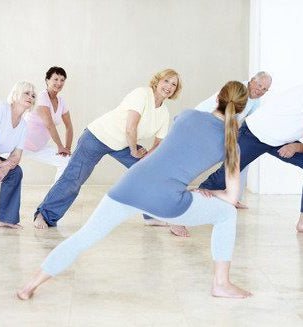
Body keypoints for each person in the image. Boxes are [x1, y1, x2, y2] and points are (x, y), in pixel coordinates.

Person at [18, 81, 252, 300]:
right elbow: (231, 198)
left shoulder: (187, 115)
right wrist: (200, 190)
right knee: (227, 213)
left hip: (129, 185)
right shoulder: (231, 144)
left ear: (218, 97)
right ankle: (221, 284)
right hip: (166, 200)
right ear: (241, 109)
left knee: (84, 236)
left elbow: (177, 152)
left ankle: (30, 286)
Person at [33, 69, 182, 229]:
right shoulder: (142, 94)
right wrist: (134, 151)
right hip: (97, 136)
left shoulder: (164, 113)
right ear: (158, 81)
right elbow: (131, 127)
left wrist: (145, 161)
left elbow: (158, 144)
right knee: (74, 179)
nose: (169, 86)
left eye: (174, 84)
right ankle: (44, 215)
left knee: (149, 173)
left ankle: (152, 216)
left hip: (123, 144)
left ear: (175, 90)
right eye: (166, 81)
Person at [170, 71, 272, 237]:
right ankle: (177, 218)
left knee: (242, 157)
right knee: (185, 171)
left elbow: (250, 123)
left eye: (265, 89)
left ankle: (233, 195)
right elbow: (216, 111)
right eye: (259, 86)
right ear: (252, 81)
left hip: (218, 131)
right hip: (200, 127)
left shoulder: (256, 101)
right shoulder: (236, 90)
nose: (260, 90)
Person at [199, 84, 303, 233]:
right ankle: (181, 210)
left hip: (280, 138)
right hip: (255, 133)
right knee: (223, 178)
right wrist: (296, 147)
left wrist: (295, 147)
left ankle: (302, 223)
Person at [0, 81, 36, 228]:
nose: (31, 97)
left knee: (15, 172)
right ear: (16, 94)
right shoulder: (0, 108)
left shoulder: (23, 125)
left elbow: (16, 155)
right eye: (26, 93)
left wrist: (5, 168)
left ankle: (6, 218)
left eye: (33, 95)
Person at [23, 67, 73, 183]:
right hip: (20, 143)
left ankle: (54, 199)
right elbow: (50, 124)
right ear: (47, 80)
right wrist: (60, 146)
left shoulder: (61, 101)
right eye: (55, 79)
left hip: (39, 147)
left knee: (66, 161)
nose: (59, 83)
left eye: (62, 80)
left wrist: (67, 148)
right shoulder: (42, 97)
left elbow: (69, 126)